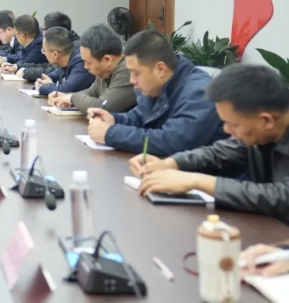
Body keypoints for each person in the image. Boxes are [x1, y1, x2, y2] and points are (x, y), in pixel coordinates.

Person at [130, 64, 289, 223]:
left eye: (233, 124)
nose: (226, 130)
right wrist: (171, 163)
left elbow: (282, 197)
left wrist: (197, 181)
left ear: (267, 120)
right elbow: (222, 152)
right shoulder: (257, 131)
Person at [89, 30, 226, 156]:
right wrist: (113, 120)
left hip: (205, 172)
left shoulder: (200, 93)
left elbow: (173, 141)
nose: (132, 80)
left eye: (136, 73)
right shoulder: (156, 87)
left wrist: (111, 134)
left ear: (160, 69)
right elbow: (140, 117)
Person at [50, 23, 136, 114]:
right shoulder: (105, 71)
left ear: (107, 60)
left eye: (89, 62)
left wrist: (72, 98)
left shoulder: (128, 70)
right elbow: (92, 92)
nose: (85, 67)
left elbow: (102, 107)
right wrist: (65, 97)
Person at [34, 26, 94, 96]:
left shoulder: (81, 62)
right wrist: (40, 82)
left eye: (44, 50)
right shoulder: (65, 60)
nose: (43, 53)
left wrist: (44, 87)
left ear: (55, 54)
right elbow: (51, 77)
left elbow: (66, 90)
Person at [22, 11, 80, 82]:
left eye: (43, 30)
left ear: (53, 32)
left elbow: (51, 71)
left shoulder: (74, 48)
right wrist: (18, 67)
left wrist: (25, 72)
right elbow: (48, 67)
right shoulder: (63, 43)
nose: (42, 33)